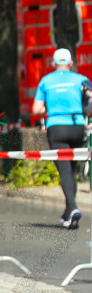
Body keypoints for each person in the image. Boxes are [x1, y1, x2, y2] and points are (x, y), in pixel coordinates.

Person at [32, 48, 92, 229]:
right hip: (77, 125)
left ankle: (73, 208)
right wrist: (85, 112)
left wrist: (50, 110)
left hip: (56, 127)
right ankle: (68, 213)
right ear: (71, 63)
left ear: (53, 63)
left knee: (65, 171)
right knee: (71, 171)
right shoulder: (81, 79)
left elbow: (36, 110)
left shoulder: (46, 81)